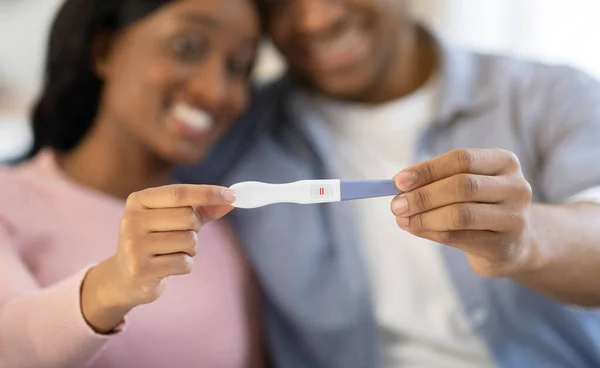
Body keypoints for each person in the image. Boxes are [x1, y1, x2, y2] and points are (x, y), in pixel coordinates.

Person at [177, 0, 600, 367]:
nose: (314, 19)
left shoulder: (553, 96)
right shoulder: (232, 128)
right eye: (279, 3)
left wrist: (528, 240)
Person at [0, 0, 263, 367]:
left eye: (239, 67)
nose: (216, 91)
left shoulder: (228, 237)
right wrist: (115, 283)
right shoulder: (8, 201)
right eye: (187, 47)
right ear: (104, 49)